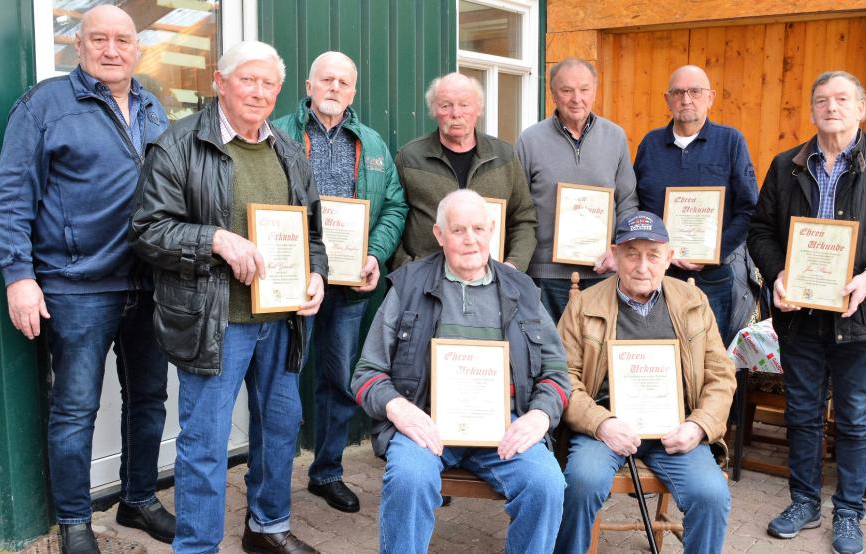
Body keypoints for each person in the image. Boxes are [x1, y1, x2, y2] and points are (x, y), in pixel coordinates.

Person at [0, 5, 174, 552]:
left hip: (149, 285)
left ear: (137, 48)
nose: (112, 50)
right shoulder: (45, 105)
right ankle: (74, 521)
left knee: (149, 399)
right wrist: (19, 276)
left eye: (123, 39)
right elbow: (10, 197)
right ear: (78, 45)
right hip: (77, 287)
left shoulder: (153, 107)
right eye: (99, 39)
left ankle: (138, 499)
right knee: (75, 410)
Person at [129, 41, 326, 554]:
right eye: (247, 80)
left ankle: (267, 527)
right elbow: (147, 231)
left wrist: (317, 275)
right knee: (205, 442)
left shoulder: (288, 152)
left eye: (269, 84)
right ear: (220, 82)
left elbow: (313, 235)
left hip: (281, 320)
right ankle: (198, 546)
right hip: (214, 321)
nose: (259, 92)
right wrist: (214, 239)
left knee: (279, 429)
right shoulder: (177, 145)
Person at [748, 71, 866, 554]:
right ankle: (804, 503)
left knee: (855, 417)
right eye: (822, 100)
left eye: (841, 99)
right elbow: (760, 232)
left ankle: (849, 512)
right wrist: (778, 274)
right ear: (812, 110)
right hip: (800, 316)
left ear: (861, 108)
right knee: (802, 413)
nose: (831, 107)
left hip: (863, 315)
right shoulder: (786, 165)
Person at [352, 190, 570, 553]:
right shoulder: (409, 286)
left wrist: (540, 415)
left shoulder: (524, 291)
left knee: (546, 483)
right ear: (439, 235)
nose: (470, 239)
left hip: (505, 428)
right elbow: (367, 373)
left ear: (492, 231)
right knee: (408, 478)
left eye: (478, 229)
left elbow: (557, 373)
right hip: (427, 424)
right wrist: (398, 408)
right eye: (458, 230)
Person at [273, 51, 407, 513]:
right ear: (308, 86)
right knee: (280, 381)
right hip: (292, 283)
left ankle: (327, 472)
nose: (334, 88)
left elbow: (395, 206)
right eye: (326, 80)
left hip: (349, 287)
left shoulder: (372, 144)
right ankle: (272, 481)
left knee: (337, 380)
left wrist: (374, 254)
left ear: (353, 91)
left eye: (343, 82)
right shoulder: (278, 133)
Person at [554, 211, 735, 554]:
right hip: (604, 429)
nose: (642, 266)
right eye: (631, 254)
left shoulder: (693, 302)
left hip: (675, 430)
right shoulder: (584, 305)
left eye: (653, 255)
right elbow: (564, 377)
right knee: (581, 483)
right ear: (615, 255)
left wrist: (699, 426)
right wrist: (602, 423)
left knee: (711, 494)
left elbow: (720, 374)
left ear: (668, 258)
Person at [633, 65, 758, 345]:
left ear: (710, 97)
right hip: (656, 276)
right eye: (678, 92)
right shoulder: (650, 145)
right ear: (667, 99)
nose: (686, 99)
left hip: (713, 276)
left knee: (710, 356)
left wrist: (714, 252)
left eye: (695, 91)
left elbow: (749, 209)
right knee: (659, 354)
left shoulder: (730, 142)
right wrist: (656, 249)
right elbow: (635, 205)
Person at [515, 58, 639, 323]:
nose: (576, 98)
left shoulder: (615, 137)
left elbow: (627, 202)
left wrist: (619, 251)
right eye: (567, 90)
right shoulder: (530, 140)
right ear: (553, 94)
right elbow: (519, 207)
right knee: (548, 348)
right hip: (544, 276)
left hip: (603, 274)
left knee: (598, 347)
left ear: (595, 91)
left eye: (584, 89)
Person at [391, 72, 537, 271]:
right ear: (434, 109)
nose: (456, 113)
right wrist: (408, 270)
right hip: (425, 280)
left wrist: (512, 267)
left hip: (491, 279)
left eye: (465, 104)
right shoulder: (409, 158)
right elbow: (391, 218)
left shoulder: (504, 156)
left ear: (479, 108)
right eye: (446, 105)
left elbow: (523, 219)